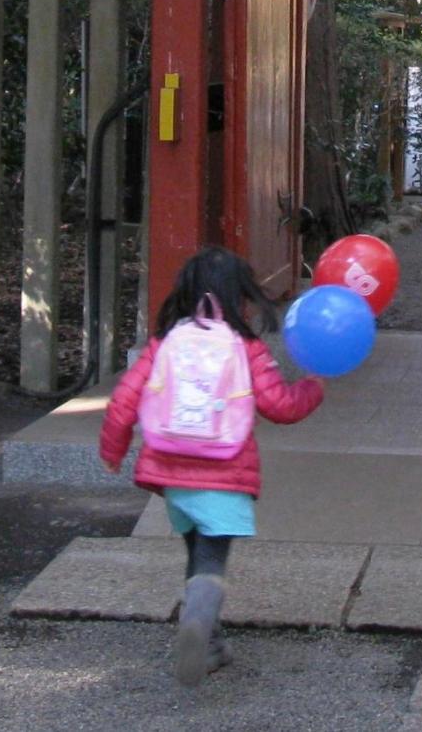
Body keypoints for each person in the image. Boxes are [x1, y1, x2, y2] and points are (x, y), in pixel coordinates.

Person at [99, 246, 325, 686]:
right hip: (225, 474)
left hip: (171, 473)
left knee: (195, 553)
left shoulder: (165, 343)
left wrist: (112, 452)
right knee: (211, 563)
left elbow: (123, 401)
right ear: (240, 295)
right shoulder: (247, 349)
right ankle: (199, 621)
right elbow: (279, 406)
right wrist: (313, 389)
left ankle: (209, 642)